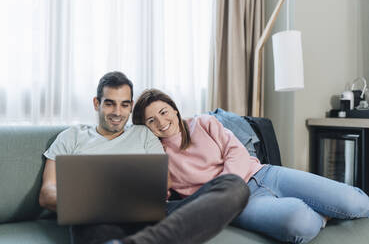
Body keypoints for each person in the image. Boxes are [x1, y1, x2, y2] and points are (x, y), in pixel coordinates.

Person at [132, 88, 369, 244]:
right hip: (241, 205)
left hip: (265, 174)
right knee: (300, 224)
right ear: (146, 127)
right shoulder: (157, 155)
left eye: (164, 112)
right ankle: (324, 214)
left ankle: (329, 206)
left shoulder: (204, 123)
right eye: (152, 120)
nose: (162, 122)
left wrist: (227, 186)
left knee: (356, 202)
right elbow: (159, 200)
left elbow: (236, 152)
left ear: (174, 108)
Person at [38, 71, 250, 244]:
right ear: (96, 103)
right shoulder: (71, 137)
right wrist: (98, 201)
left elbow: (163, 181)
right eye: (110, 103)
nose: (117, 112)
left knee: (234, 185)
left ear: (130, 106)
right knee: (88, 222)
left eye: (124, 104)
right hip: (96, 215)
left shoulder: (144, 134)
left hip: (151, 212)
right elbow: (47, 194)